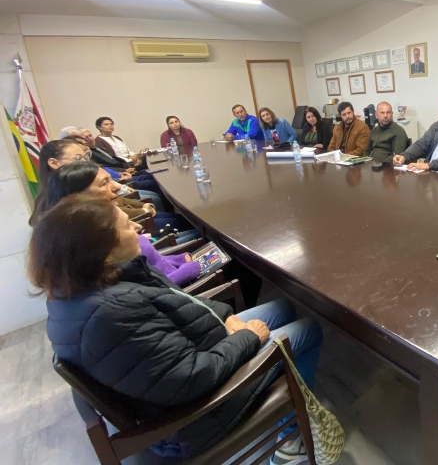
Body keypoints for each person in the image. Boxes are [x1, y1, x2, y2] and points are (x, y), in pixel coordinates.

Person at [30, 196, 322, 462]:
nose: (136, 226)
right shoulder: (111, 313)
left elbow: (182, 302)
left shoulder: (82, 289)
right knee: (309, 330)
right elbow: (192, 379)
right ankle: (289, 442)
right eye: (126, 226)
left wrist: (228, 317)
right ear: (102, 253)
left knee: (283, 308)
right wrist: (248, 337)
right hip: (195, 416)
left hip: (194, 350)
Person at [40, 161, 199, 237]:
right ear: (78, 195)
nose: (117, 187)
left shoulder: (96, 215)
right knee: (200, 234)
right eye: (104, 183)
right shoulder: (96, 234)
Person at [31, 138, 165, 222]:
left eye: (85, 156)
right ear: (54, 163)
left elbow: (115, 200)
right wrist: (143, 211)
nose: (85, 162)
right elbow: (107, 212)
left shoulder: (77, 179)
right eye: (78, 158)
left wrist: (142, 207)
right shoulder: (63, 194)